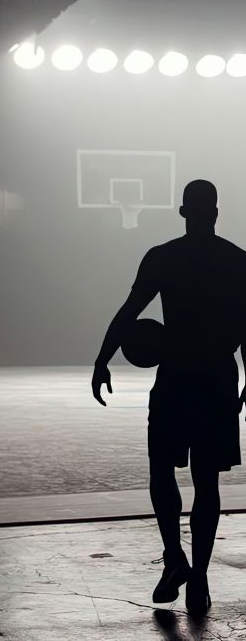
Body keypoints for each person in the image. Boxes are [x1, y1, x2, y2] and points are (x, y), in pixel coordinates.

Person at [91, 180, 246, 615]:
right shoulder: (237, 261)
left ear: (183, 211)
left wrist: (103, 359)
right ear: (215, 212)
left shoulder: (163, 257)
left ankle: (173, 557)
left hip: (176, 375)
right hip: (216, 377)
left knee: (162, 471)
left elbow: (128, 311)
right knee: (207, 483)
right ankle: (198, 579)